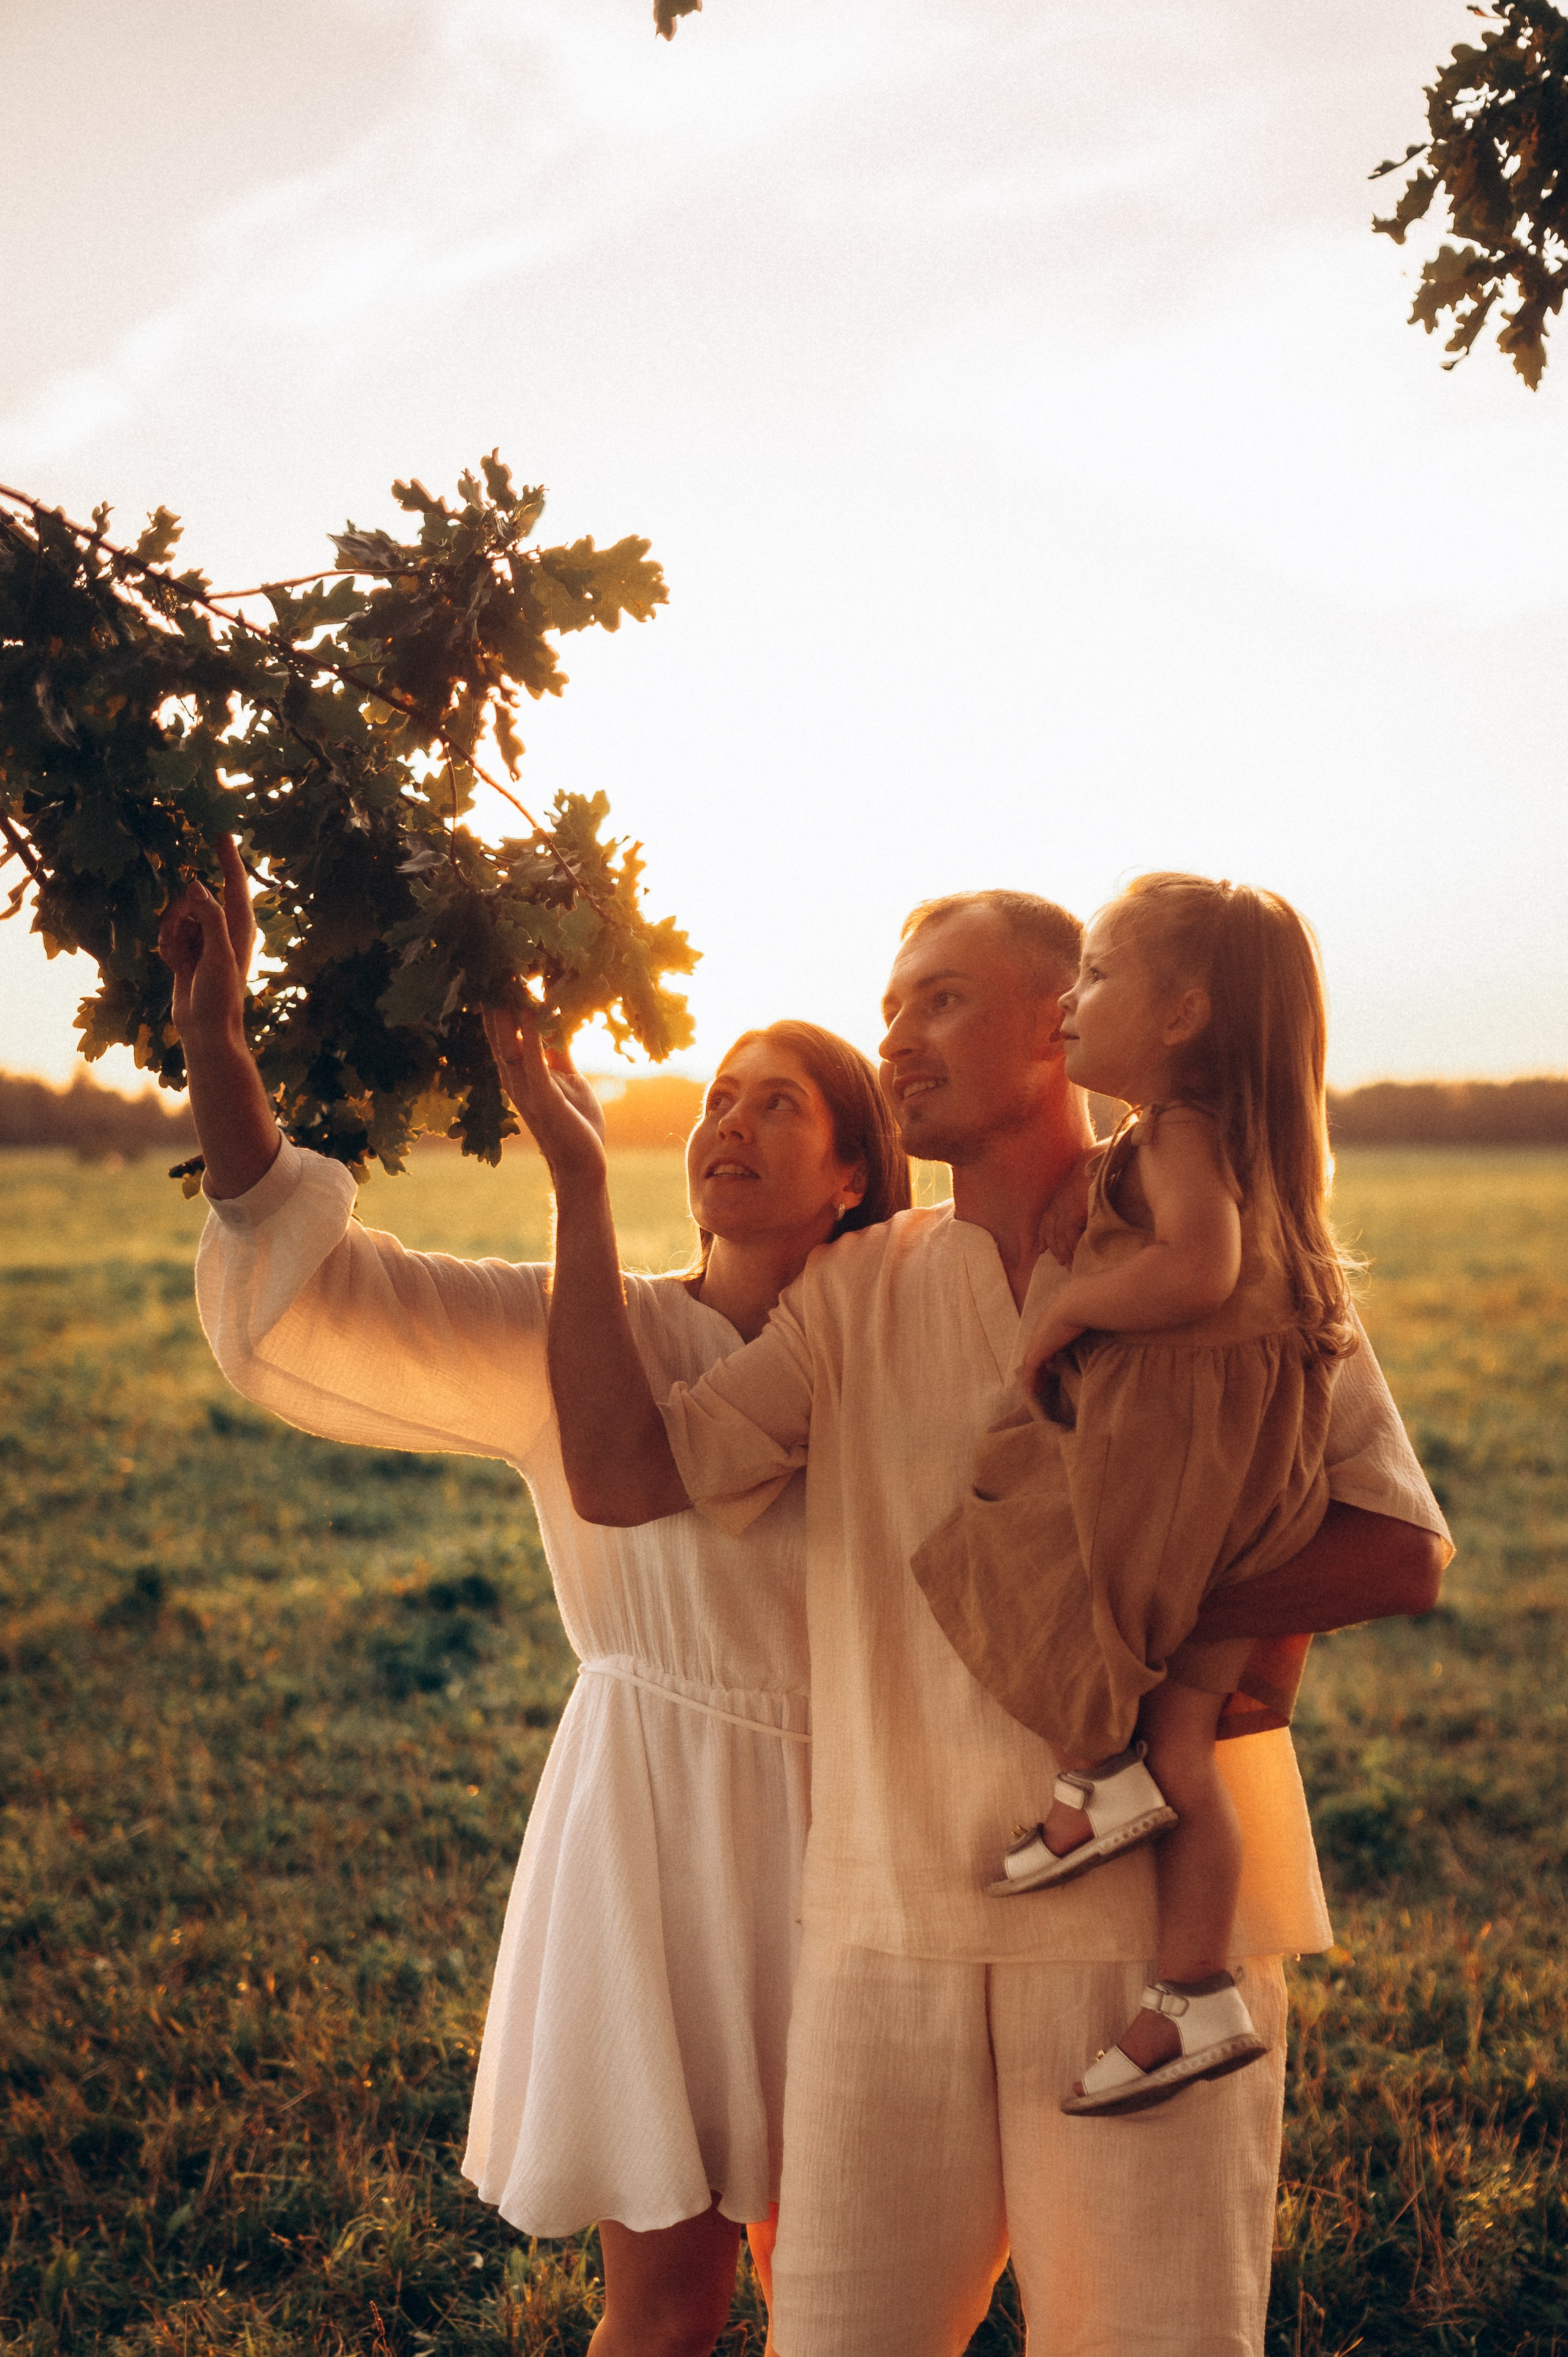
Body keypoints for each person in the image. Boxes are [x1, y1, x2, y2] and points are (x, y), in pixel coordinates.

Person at [518, 886, 1451, 2357]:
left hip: (1151, 1947)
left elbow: (1396, 1549)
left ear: (1056, 1023)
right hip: (880, 1933)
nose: (895, 1039)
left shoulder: (1212, 1236)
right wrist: (578, 1184)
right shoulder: (853, 1290)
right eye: (891, 1006)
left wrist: (1146, 1627)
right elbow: (628, 1477)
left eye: (941, 1001)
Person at [157, 839, 910, 2357]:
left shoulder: (907, 1350)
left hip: (858, 1835)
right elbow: (332, 1288)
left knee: (839, 2298)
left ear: (852, 1174)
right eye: (717, 1094)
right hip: (654, 1826)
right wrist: (218, 1048)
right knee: (667, 2302)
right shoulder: (586, 1330)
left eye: (778, 1102)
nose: (730, 1120)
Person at [911, 874, 1357, 2118]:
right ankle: (1189, 1997)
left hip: (1177, 1461)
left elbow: (1197, 1268)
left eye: (1099, 975)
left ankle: (1090, 1776)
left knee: (1011, 1545)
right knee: (1188, 1748)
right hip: (1247, 1482)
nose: (1071, 1000)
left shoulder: (1178, 1133)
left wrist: (1070, 1308)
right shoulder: (1240, 1145)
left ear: (1183, 1014)